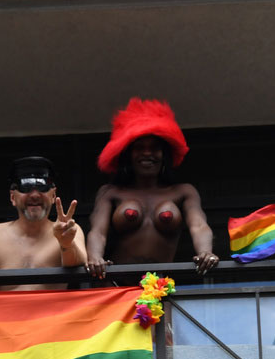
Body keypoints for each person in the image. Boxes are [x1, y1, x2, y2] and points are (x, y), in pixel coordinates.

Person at [86, 98, 218, 279]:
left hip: (160, 288)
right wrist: (94, 258)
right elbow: (98, 232)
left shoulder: (183, 192)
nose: (147, 153)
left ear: (164, 155)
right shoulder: (110, 193)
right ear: (128, 155)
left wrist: (206, 253)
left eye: (154, 148)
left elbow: (199, 226)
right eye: (139, 147)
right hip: (116, 286)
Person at [0, 156, 86, 289]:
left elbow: (79, 266)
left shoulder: (69, 230)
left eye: (42, 188)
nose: (34, 195)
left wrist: (66, 244)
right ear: (13, 197)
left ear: (53, 195)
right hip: (3, 309)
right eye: (25, 188)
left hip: (53, 310)